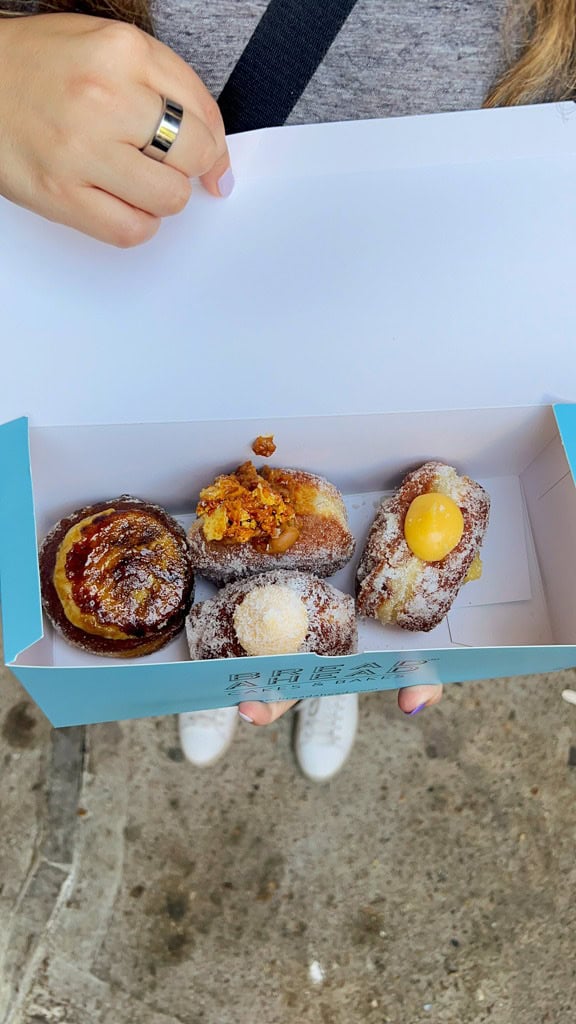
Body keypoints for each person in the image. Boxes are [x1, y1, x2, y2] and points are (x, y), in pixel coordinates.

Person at [1, 0, 573, 777]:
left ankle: (316, 655)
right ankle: (218, 651)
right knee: (226, 629)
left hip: (411, 325)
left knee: (315, 628)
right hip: (126, 306)